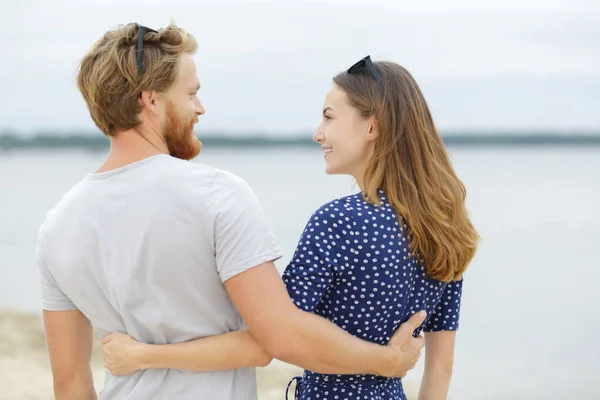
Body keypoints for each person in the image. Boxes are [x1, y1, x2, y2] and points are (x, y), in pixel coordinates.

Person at [36, 22, 426, 400]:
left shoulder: (56, 227)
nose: (200, 108)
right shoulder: (215, 194)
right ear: (150, 100)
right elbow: (277, 339)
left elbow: (70, 385)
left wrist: (144, 356)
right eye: (190, 94)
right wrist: (388, 361)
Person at [100, 55, 479, 400]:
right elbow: (440, 367)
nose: (318, 132)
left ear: (372, 125)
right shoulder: (444, 228)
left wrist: (143, 355)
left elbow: (269, 341)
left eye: (329, 117)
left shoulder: (339, 222)